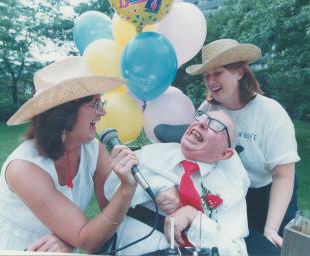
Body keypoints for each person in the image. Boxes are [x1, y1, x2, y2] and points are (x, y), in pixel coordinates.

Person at [0, 56, 138, 253]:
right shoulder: (24, 168)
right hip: (11, 247)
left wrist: (71, 239)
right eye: (95, 104)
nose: (103, 113)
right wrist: (125, 190)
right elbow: (89, 241)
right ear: (66, 113)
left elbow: (112, 216)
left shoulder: (93, 148)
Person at [185, 39, 300, 250]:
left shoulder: (271, 113)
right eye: (206, 76)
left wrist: (271, 228)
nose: (210, 81)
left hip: (269, 192)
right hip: (229, 193)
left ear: (239, 72)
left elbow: (283, 176)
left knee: (271, 247)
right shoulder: (206, 109)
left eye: (217, 73)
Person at [104, 110, 250, 255]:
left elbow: (236, 252)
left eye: (217, 126)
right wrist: (157, 185)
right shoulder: (150, 153)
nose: (203, 123)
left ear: (225, 154)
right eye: (202, 116)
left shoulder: (231, 189)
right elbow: (110, 190)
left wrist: (194, 219)